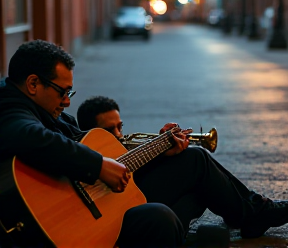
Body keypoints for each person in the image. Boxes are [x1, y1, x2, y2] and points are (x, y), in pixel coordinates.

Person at [0, 40, 186, 248]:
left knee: (192, 162)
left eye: (70, 94)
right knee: (160, 218)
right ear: (33, 84)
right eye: (63, 92)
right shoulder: (9, 109)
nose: (67, 102)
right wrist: (98, 166)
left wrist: (156, 148)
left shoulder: (43, 110)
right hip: (65, 223)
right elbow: (31, 137)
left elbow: (89, 145)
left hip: (93, 206)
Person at [77, 96, 288, 240]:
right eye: (109, 130)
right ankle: (255, 213)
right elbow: (126, 176)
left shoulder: (117, 145)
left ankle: (253, 212)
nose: (119, 135)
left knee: (202, 187)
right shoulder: (87, 151)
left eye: (119, 127)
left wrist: (159, 149)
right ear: (91, 134)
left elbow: (135, 170)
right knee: (196, 159)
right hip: (116, 206)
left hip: (130, 199)